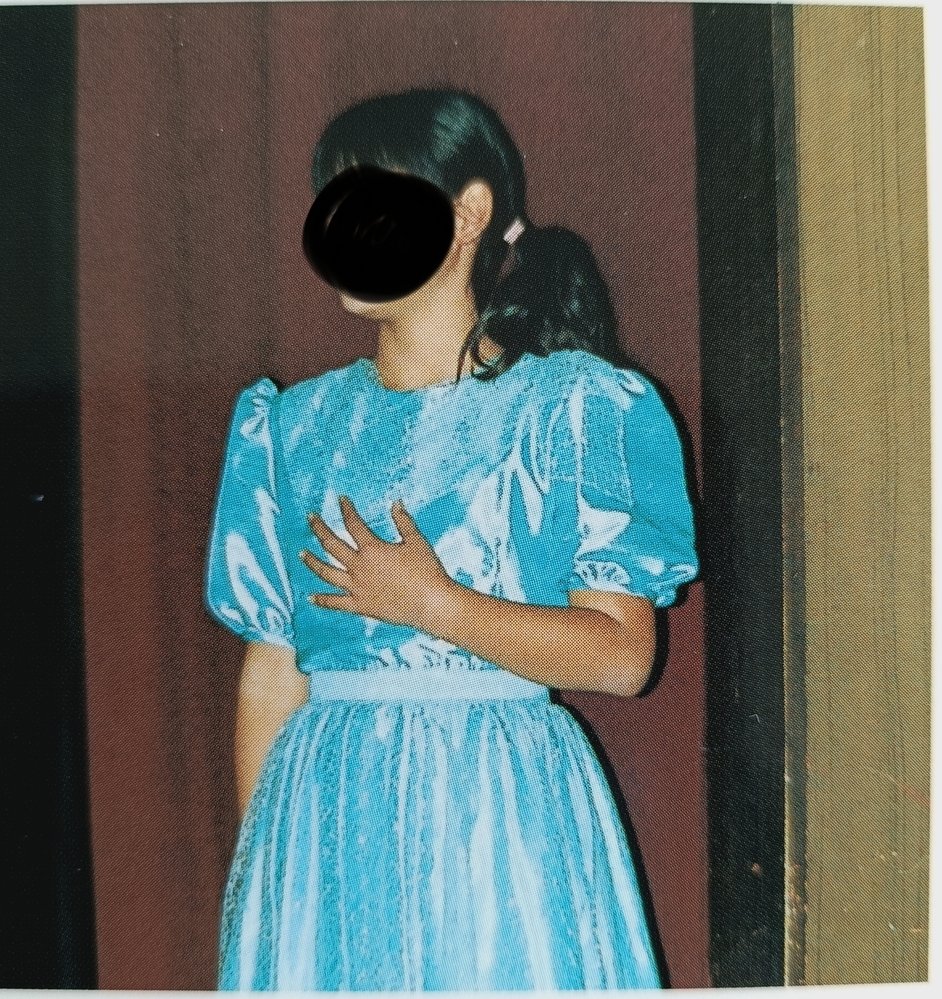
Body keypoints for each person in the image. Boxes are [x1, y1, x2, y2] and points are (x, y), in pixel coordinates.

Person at [206, 88, 697, 991]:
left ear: (467, 213)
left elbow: (624, 656)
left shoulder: (570, 407)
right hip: (323, 822)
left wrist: (432, 603)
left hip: (496, 821)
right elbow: (271, 672)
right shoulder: (291, 428)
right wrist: (264, 883)